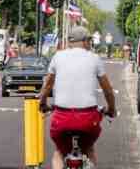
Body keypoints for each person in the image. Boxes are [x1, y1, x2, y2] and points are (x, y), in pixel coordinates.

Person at [38, 26, 117, 168]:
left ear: (70, 42)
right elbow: (108, 90)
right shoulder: (94, 58)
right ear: (86, 41)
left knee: (59, 152)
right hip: (88, 118)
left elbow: (47, 86)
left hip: (61, 118)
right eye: (90, 41)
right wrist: (111, 109)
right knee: (89, 148)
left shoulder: (58, 57)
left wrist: (42, 103)